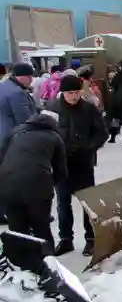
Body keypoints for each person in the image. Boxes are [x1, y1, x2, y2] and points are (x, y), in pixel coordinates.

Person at [46, 75, 108, 256]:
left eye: (76, 92)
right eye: (69, 92)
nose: (73, 96)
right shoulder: (52, 109)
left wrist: (89, 148)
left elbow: (101, 133)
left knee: (88, 203)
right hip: (61, 164)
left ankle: (91, 239)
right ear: (62, 93)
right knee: (63, 204)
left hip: (83, 163)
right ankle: (66, 239)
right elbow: (45, 133)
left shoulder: (89, 109)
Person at [0, 110, 66, 270]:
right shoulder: (54, 137)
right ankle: (50, 268)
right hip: (37, 183)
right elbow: (61, 171)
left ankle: (22, 267)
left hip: (6, 183)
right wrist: (49, 185)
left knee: (17, 228)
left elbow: (2, 156)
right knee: (41, 227)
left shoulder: (16, 132)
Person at [0, 63, 37, 225]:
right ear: (23, 77)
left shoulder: (3, 87)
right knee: (16, 180)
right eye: (30, 77)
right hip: (10, 143)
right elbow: (26, 121)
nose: (32, 81)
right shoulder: (17, 93)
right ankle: (23, 213)